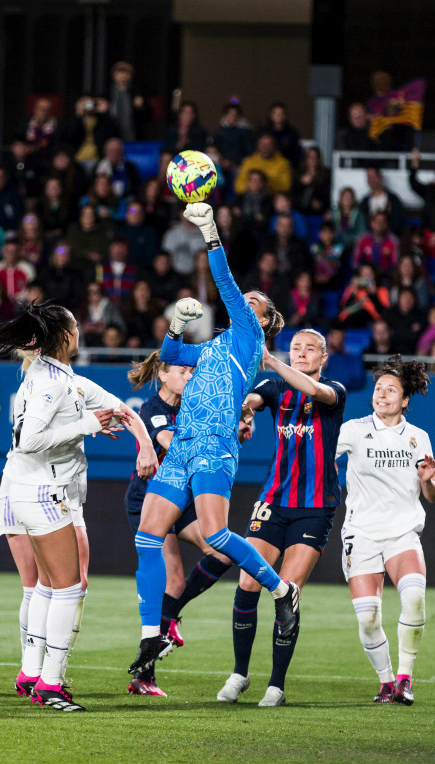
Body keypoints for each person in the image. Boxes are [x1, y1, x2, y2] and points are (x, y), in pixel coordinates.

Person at [127, 202, 301, 681]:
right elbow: (170, 353)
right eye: (245, 301)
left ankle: (282, 590)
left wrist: (209, 231)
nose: (244, 303)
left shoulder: (247, 340)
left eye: (253, 304)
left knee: (218, 536)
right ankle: (151, 634)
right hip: (183, 446)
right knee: (147, 535)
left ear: (262, 321)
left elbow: (224, 284)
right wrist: (177, 327)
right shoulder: (214, 347)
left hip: (215, 446)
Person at [0, 303, 153, 710]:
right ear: (66, 335)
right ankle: (51, 684)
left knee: (49, 587)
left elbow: (117, 409)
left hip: (33, 486)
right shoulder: (52, 382)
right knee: (68, 588)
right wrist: (88, 425)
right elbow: (29, 440)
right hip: (42, 489)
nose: (79, 331)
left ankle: (35, 673)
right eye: (75, 326)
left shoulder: (57, 377)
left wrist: (127, 432)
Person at [213, 330, 348, 706]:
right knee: (247, 582)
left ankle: (276, 684)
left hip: (315, 506)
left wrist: (272, 360)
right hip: (274, 499)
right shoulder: (275, 388)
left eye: (310, 350)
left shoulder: (335, 390)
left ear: (324, 357)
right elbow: (253, 399)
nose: (302, 354)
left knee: (287, 591)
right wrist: (243, 408)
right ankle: (240, 673)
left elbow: (316, 392)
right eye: (296, 349)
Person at [124, 353, 233, 696]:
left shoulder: (193, 407)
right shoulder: (151, 408)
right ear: (163, 374)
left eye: (192, 371)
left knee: (222, 553)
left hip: (181, 501)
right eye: (183, 371)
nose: (189, 376)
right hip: (150, 501)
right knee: (170, 580)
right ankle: (144, 676)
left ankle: (169, 618)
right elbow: (171, 444)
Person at [336, 355, 435, 705]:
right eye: (379, 388)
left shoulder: (418, 437)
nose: (382, 394)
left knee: (413, 598)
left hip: (402, 534)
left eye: (391, 390)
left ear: (405, 399)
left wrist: (428, 482)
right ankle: (385, 682)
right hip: (361, 534)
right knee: (368, 619)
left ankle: (405, 679)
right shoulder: (352, 430)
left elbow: (433, 493)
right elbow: (318, 458)